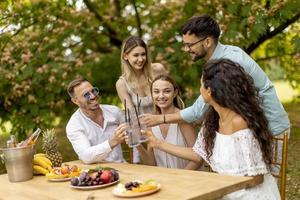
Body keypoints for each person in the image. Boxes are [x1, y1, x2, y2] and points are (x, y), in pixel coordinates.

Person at [140, 15, 290, 162]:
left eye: (190, 45)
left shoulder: (228, 62)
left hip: (270, 128)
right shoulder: (221, 58)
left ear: (207, 42)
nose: (186, 49)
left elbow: (198, 111)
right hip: (249, 129)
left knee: (262, 180)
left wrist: (160, 119)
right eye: (184, 44)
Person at [145, 59, 280, 199]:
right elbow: (197, 155)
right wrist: (158, 144)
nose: (200, 90)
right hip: (226, 193)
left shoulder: (240, 122)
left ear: (209, 91)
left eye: (201, 85)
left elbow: (257, 178)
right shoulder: (212, 119)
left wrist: (218, 188)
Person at [115, 36, 167, 163]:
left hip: (166, 124)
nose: (141, 59)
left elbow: (171, 97)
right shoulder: (122, 84)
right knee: (154, 168)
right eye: (136, 55)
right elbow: (131, 115)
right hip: (145, 132)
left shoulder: (157, 70)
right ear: (125, 56)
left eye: (143, 54)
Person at [132, 75, 200, 169]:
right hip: (163, 180)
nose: (161, 96)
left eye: (167, 91)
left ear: (175, 93)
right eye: (156, 92)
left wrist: (179, 178)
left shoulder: (182, 119)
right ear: (152, 94)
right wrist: (137, 143)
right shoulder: (152, 122)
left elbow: (198, 158)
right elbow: (151, 163)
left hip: (186, 179)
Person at [66, 77, 127, 164]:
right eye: (86, 95)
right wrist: (112, 142)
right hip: (96, 173)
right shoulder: (74, 125)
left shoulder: (114, 111)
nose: (93, 96)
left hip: (124, 167)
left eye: (93, 91)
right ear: (75, 101)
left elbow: (133, 129)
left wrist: (130, 132)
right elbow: (86, 156)